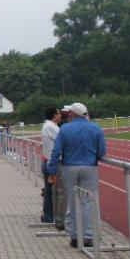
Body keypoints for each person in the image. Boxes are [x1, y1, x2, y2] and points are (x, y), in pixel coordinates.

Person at [48, 102, 106, 248]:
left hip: (70, 167)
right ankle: (89, 236)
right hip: (89, 167)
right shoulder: (95, 127)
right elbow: (102, 151)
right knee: (88, 202)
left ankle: (74, 236)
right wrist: (94, 157)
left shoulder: (65, 129)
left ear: (73, 114)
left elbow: (56, 151)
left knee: (72, 202)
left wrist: (52, 171)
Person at [40, 107, 61, 224]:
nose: (60, 115)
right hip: (51, 163)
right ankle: (50, 217)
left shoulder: (49, 126)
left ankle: (48, 216)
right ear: (54, 115)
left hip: (48, 161)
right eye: (59, 114)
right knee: (52, 191)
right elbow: (63, 139)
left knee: (49, 191)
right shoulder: (50, 127)